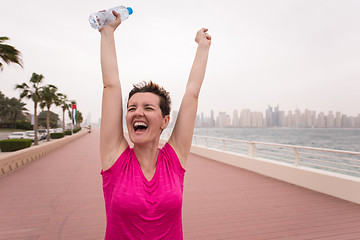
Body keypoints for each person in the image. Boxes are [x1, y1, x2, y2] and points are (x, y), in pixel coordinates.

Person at [99, 11, 211, 240]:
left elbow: (192, 95)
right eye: (131, 108)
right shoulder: (115, 159)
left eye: (148, 108)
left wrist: (203, 47)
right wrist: (107, 32)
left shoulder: (173, 159)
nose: (137, 112)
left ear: (165, 121)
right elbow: (111, 86)